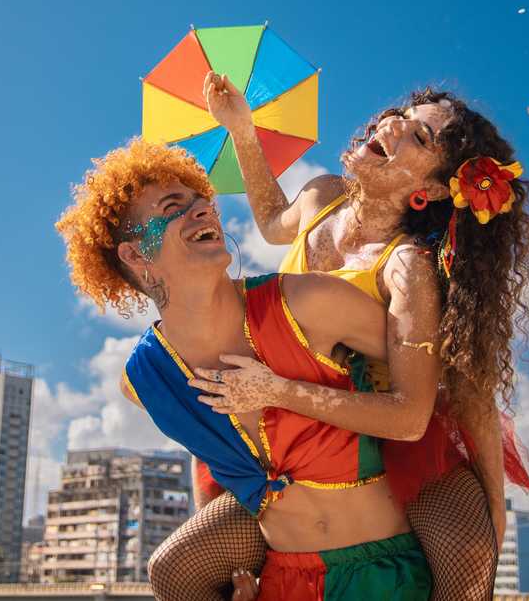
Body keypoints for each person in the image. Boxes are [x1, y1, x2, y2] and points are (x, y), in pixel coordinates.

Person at [145, 76, 529, 601]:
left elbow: (434, 405)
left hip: (383, 439)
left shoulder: (406, 269)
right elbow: (268, 221)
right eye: (404, 113)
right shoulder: (323, 195)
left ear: (431, 192)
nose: (391, 122)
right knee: (172, 570)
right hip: (285, 435)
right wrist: (241, 129)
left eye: (421, 138)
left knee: (467, 565)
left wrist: (494, 507)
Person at [56, 139, 442, 601]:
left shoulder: (308, 304)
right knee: (167, 570)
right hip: (280, 583)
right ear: (136, 255)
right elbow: (207, 451)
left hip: (381, 577)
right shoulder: (146, 380)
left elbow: (432, 378)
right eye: (174, 206)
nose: (204, 211)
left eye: (203, 202)